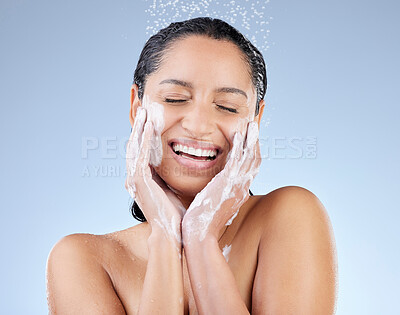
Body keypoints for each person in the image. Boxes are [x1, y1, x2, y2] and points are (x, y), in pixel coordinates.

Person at [46, 17, 337, 314]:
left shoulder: (289, 215)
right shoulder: (83, 260)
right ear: (137, 107)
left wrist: (201, 239)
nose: (198, 125)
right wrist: (165, 237)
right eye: (175, 98)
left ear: (255, 120)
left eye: (227, 107)